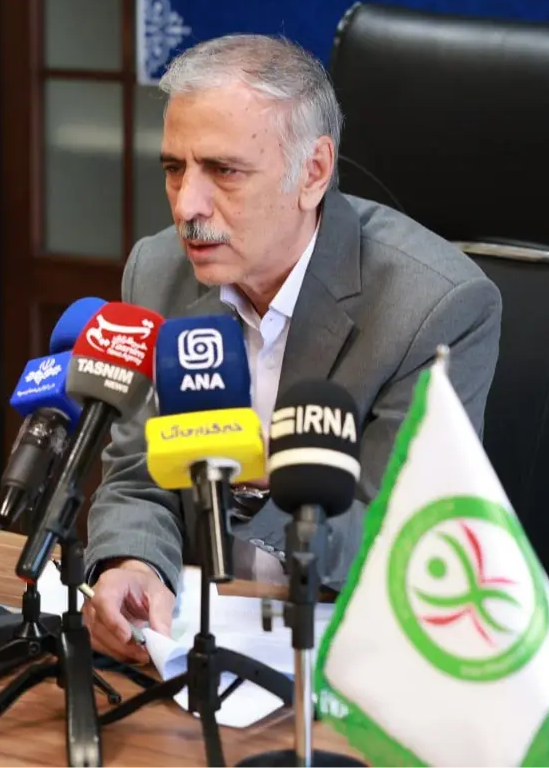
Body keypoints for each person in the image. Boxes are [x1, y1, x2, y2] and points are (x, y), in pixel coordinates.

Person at [81, 34, 502, 663]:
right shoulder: (158, 270)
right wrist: (133, 564)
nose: (187, 205)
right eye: (174, 169)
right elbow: (139, 474)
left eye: (224, 171)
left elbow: (405, 547)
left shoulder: (433, 307)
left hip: (358, 650)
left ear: (313, 172)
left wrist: (262, 475)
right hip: (197, 645)